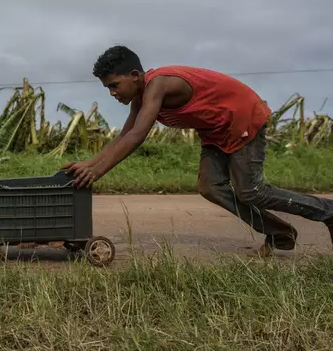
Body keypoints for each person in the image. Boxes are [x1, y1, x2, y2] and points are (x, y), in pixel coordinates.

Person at [63, 45, 333, 256]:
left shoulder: (159, 84)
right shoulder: (140, 96)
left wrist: (97, 172)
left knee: (251, 191)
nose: (111, 93)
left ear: (135, 76)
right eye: (107, 87)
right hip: (216, 131)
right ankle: (279, 233)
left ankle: (327, 211)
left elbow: (136, 137)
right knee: (211, 187)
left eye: (114, 85)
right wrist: (89, 163)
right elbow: (123, 135)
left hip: (242, 118)